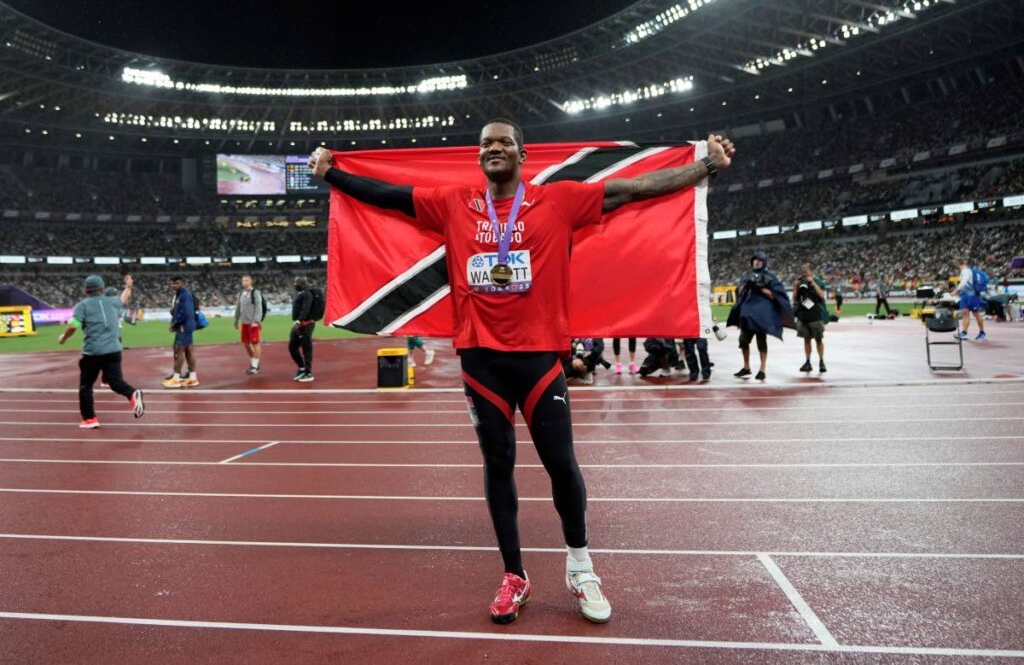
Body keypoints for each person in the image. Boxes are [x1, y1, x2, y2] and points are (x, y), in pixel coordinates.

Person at [309, 120, 735, 625]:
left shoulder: (559, 200)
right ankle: (514, 576)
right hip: (480, 359)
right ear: (479, 156)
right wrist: (333, 173)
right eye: (486, 143)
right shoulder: (454, 202)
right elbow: (389, 195)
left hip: (537, 357)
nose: (494, 148)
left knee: (561, 464)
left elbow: (633, 187)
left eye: (504, 142)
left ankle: (581, 567)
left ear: (522, 154)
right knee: (498, 467)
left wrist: (706, 165)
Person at [57, 274, 145, 428]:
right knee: (115, 382)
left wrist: (64, 338)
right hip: (114, 350)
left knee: (86, 386)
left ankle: (90, 419)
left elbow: (73, 326)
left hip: (93, 352)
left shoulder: (82, 306)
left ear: (86, 291)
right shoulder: (113, 302)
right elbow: (124, 297)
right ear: (102, 289)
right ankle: (131, 393)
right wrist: (129, 285)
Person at [727, 250, 794, 381]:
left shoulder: (770, 276)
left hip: (762, 316)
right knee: (743, 341)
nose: (757, 262)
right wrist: (746, 286)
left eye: (759, 260)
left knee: (761, 342)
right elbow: (739, 292)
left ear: (763, 262)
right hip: (747, 315)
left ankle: (762, 369)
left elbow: (775, 295)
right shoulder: (747, 275)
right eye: (755, 260)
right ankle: (746, 367)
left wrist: (760, 289)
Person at [162, 276, 199, 388]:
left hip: (184, 327)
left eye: (177, 283)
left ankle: (176, 379)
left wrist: (176, 324)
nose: (174, 285)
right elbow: (180, 311)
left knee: (179, 351)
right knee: (188, 351)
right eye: (172, 283)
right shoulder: (180, 295)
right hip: (186, 326)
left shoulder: (185, 295)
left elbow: (186, 313)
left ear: (182, 283)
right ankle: (192, 378)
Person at [793, 263, 829, 373]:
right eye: (803, 271)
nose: (804, 273)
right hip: (804, 315)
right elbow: (795, 299)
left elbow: (822, 295)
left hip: (815, 315)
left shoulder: (818, 282)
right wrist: (796, 286)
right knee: (806, 339)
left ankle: (821, 362)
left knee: (819, 339)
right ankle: (808, 361)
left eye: (806, 271)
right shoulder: (799, 283)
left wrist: (812, 282)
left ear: (811, 271)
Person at [234, 274, 264, 375]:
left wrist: (256, 321)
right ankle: (253, 363)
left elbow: (259, 307)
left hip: (253, 323)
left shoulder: (255, 293)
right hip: (244, 323)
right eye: (243, 281)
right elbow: (238, 307)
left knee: (255, 343)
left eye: (247, 280)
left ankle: (255, 366)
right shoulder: (241, 293)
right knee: (246, 344)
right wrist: (235, 320)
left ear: (251, 281)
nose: (245, 282)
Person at [953, 258, 987, 341]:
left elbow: (964, 282)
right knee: (965, 313)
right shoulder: (963, 271)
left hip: (972, 295)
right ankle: (964, 333)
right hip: (965, 295)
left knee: (976, 314)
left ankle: (982, 332)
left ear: (958, 264)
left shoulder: (966, 271)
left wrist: (956, 290)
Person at [290, 276, 316, 381]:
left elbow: (305, 310)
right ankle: (301, 368)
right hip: (299, 325)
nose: (294, 284)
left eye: (296, 283)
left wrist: (297, 322)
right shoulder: (300, 294)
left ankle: (308, 373)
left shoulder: (307, 294)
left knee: (306, 349)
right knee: (292, 347)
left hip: (306, 324)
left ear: (301, 284)